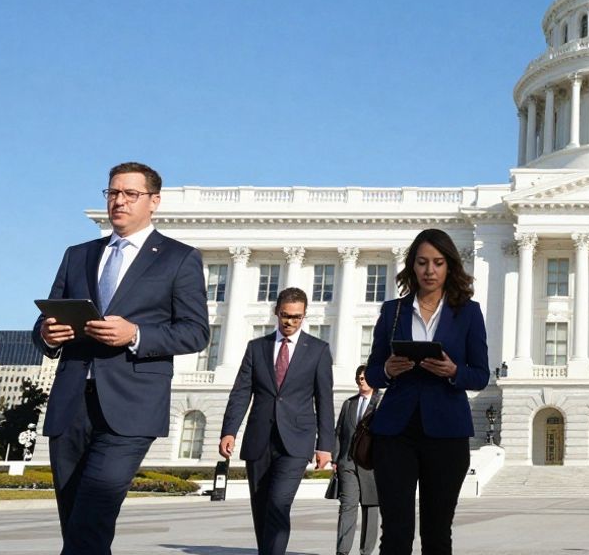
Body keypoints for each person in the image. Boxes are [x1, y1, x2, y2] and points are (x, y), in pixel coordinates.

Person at [33, 161, 209, 555]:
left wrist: (137, 335)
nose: (119, 200)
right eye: (113, 192)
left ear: (154, 201)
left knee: (91, 516)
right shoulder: (77, 255)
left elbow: (197, 332)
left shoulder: (179, 258)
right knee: (78, 525)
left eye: (131, 193)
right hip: (71, 402)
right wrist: (48, 333)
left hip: (131, 406)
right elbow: (46, 320)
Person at [364, 228, 489, 555]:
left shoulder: (468, 313)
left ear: (449, 266)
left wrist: (454, 372)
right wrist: (388, 370)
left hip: (447, 433)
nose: (429, 270)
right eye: (422, 262)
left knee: (437, 532)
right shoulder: (393, 311)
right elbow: (373, 371)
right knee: (395, 532)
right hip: (395, 432)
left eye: (437, 262)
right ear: (412, 266)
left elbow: (480, 375)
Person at [219, 287, 335, 555]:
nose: (290, 322)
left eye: (296, 317)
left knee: (279, 502)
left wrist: (325, 445)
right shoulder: (256, 348)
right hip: (259, 439)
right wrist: (229, 431)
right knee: (261, 507)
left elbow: (324, 400)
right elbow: (240, 392)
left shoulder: (318, 350)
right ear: (276, 312)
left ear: (304, 316)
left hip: (296, 441)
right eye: (285, 315)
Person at [334, 365, 381, 555]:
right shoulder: (348, 404)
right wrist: (337, 459)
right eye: (359, 378)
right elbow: (338, 433)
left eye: (365, 377)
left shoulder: (381, 403)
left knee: (370, 508)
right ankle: (342, 551)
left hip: (371, 464)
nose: (362, 381)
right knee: (347, 506)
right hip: (348, 462)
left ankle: (366, 551)